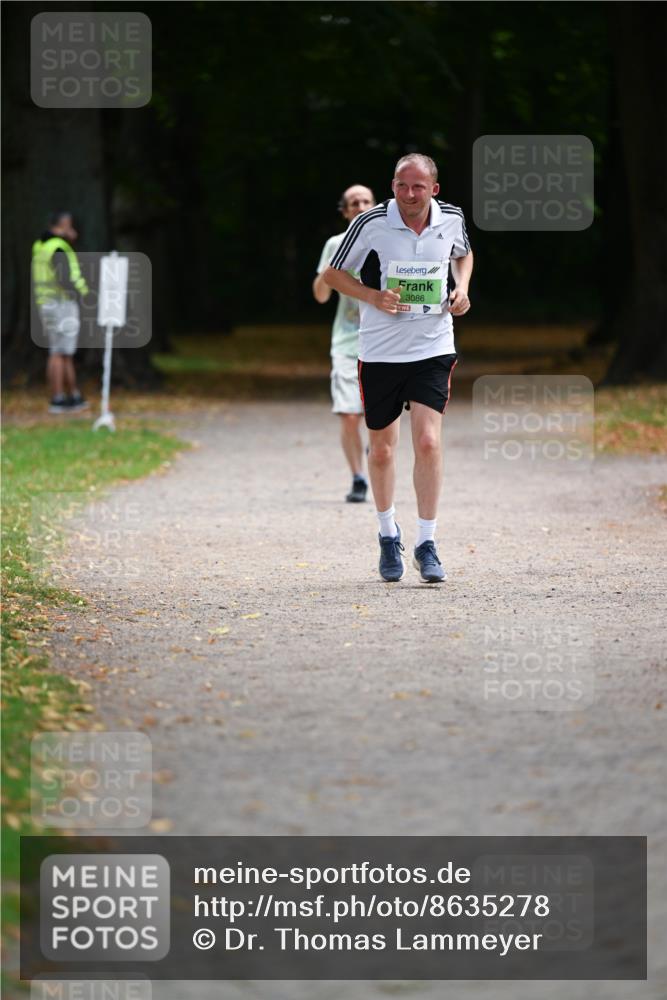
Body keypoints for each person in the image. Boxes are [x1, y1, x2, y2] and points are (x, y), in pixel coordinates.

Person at [322, 154, 473, 583]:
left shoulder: (452, 219)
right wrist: (372, 296)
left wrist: (461, 289)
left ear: (434, 189)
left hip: (433, 346)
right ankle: (388, 535)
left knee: (427, 442)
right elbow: (334, 275)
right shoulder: (371, 223)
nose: (409, 195)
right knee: (383, 449)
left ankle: (427, 544)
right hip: (381, 351)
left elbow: (464, 255)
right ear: (393, 186)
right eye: (402, 186)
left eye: (418, 187)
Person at [313, 185, 376, 503]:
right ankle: (358, 477)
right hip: (346, 342)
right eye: (354, 203)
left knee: (376, 417)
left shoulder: (388, 242)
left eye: (366, 201)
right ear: (345, 211)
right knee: (350, 414)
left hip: (383, 342)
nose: (361, 206)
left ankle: (376, 459)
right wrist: (328, 272)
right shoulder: (335, 245)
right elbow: (321, 296)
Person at [32, 211, 90, 413]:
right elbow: (66, 278)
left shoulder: (40, 246)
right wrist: (84, 295)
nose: (72, 230)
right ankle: (58, 398)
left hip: (46, 303)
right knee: (60, 352)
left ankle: (71, 395)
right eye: (69, 225)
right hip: (61, 304)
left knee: (61, 351)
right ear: (63, 225)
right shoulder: (58, 247)